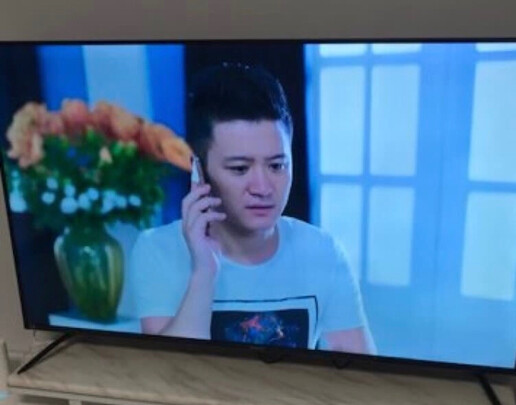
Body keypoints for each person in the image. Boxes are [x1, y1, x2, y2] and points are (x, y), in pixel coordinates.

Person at [130, 63, 375, 353]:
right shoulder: (157, 250)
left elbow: (359, 369)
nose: (262, 187)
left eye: (276, 166)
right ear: (199, 171)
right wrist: (204, 272)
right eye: (240, 168)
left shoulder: (323, 251)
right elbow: (168, 372)